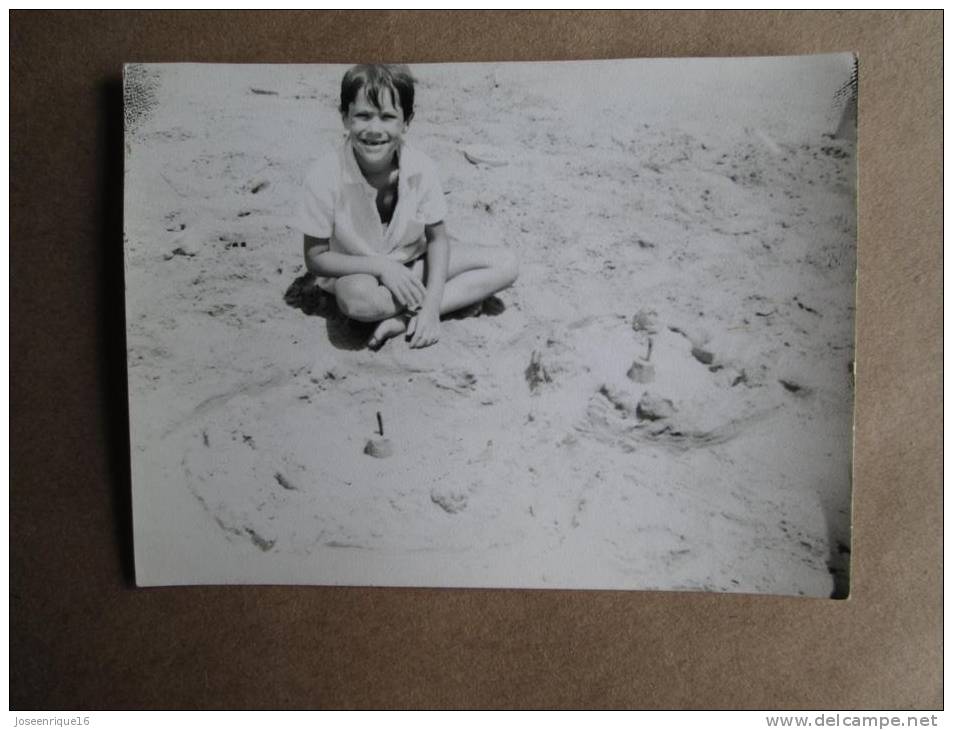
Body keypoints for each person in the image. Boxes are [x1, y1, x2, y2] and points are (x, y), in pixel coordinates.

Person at [298, 64, 518, 350]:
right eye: (362, 116)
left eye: (388, 117)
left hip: (413, 264)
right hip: (358, 271)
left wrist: (430, 310)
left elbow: (438, 239)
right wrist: (381, 267)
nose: (374, 129)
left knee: (506, 263)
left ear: (406, 122)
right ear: (345, 117)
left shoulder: (421, 168)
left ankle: (403, 320)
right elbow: (315, 258)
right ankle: (439, 301)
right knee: (360, 303)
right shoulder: (324, 174)